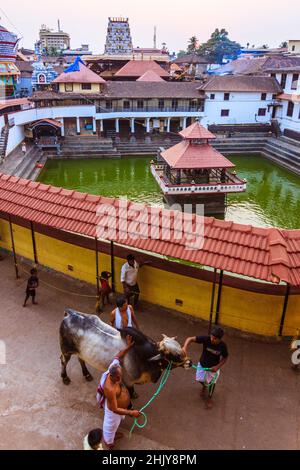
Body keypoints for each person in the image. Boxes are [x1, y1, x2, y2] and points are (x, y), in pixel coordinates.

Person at [97, 337, 141, 449]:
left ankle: (113, 434)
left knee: (116, 425)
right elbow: (114, 409)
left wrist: (129, 346)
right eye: (119, 377)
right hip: (114, 411)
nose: (121, 377)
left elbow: (118, 355)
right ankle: (109, 443)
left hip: (120, 408)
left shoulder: (114, 367)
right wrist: (131, 413)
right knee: (110, 427)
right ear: (113, 377)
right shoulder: (109, 389)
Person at [182, 326, 228, 409]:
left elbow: (225, 358)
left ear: (219, 339)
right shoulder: (206, 339)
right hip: (202, 365)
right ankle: (204, 386)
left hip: (213, 368)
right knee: (199, 379)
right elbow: (190, 339)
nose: (211, 339)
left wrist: (217, 367)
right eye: (211, 337)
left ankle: (210, 398)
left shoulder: (223, 346)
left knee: (212, 384)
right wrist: (185, 348)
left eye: (214, 339)